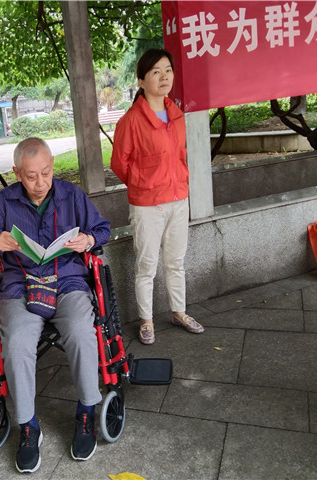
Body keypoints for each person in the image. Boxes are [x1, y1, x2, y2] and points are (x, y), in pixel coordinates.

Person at [0, 137, 111, 473]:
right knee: (17, 343)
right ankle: (28, 426)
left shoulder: (71, 195)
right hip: (20, 286)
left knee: (81, 331)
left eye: (46, 173)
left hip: (67, 281)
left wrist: (88, 240)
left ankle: (86, 412)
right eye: (31, 176)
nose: (40, 183)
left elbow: (102, 229)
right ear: (17, 173)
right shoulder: (5, 202)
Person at [110, 48, 204, 345]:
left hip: (178, 199)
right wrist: (144, 183)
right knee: (147, 266)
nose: (164, 77)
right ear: (141, 80)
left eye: (168, 70)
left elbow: (180, 155)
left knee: (176, 262)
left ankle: (179, 312)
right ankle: (147, 321)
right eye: (155, 72)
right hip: (148, 205)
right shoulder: (131, 121)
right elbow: (119, 163)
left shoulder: (176, 114)